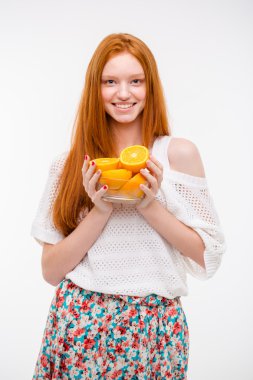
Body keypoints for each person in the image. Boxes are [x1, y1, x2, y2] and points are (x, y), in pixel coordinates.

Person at [31, 33, 226, 379]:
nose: (124, 93)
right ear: (96, 88)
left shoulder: (178, 155)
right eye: (110, 82)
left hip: (155, 328)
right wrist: (101, 209)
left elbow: (207, 254)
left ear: (150, 87)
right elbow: (50, 271)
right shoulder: (69, 165)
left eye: (135, 81)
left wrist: (149, 205)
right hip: (81, 324)